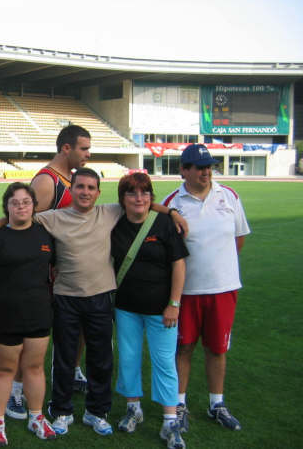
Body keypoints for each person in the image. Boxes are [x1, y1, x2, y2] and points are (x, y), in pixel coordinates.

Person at [0, 168, 187, 437]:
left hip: (101, 297)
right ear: (72, 190)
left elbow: (141, 202)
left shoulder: (109, 212)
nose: (85, 192)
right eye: (80, 187)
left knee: (101, 360)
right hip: (66, 298)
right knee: (65, 359)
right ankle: (61, 411)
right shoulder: (54, 218)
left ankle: (96, 412)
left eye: (91, 188)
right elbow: (20, 214)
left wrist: (171, 212)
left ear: (98, 193)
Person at [163, 144, 251, 432]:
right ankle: (179, 405)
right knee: (184, 349)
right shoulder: (173, 202)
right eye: (199, 167)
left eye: (209, 166)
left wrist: (218, 268)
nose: (206, 172)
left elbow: (238, 239)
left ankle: (217, 404)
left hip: (223, 289)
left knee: (217, 349)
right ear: (184, 170)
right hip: (186, 292)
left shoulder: (229, 196)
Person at [6, 124, 91, 421]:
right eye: (83, 148)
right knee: (31, 333)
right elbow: (23, 223)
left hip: (71, 271)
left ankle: (70, 370)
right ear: (66, 148)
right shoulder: (47, 181)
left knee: (75, 328)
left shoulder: (76, 179)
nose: (88, 154)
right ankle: (15, 391)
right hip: (46, 274)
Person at [111, 173, 188, 449]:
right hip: (126, 308)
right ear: (123, 199)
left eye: (145, 193)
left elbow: (179, 264)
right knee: (129, 358)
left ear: (151, 197)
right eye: (132, 193)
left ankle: (170, 421)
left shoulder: (165, 223)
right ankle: (133, 408)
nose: (139, 198)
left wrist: (174, 303)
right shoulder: (115, 223)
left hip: (162, 309)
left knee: (164, 362)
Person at [0, 182, 56, 446]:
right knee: (4, 369)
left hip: (39, 313)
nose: (21, 206)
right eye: (15, 202)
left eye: (26, 202)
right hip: (4, 314)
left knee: (34, 367)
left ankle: (36, 416)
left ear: (34, 206)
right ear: (6, 207)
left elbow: (53, 272)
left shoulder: (45, 234)